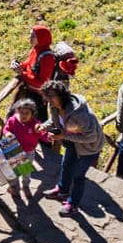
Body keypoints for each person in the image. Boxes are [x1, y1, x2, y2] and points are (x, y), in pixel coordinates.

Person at [41, 81, 104, 217]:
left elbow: (91, 137)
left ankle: (73, 204)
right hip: (72, 142)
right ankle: (62, 191)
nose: (48, 99)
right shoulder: (55, 106)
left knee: (78, 175)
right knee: (66, 165)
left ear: (61, 95)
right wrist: (44, 126)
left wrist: (63, 135)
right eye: (46, 96)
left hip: (88, 148)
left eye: (51, 96)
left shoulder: (78, 113)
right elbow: (55, 120)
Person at [2, 98, 51, 197]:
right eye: (21, 112)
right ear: (17, 112)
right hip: (14, 150)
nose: (23, 115)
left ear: (32, 113)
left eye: (27, 113)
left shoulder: (35, 124)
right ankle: (15, 187)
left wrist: (48, 137)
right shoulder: (13, 120)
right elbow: (6, 128)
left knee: (26, 171)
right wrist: (7, 133)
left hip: (28, 151)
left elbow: (42, 134)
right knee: (14, 171)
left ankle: (26, 186)